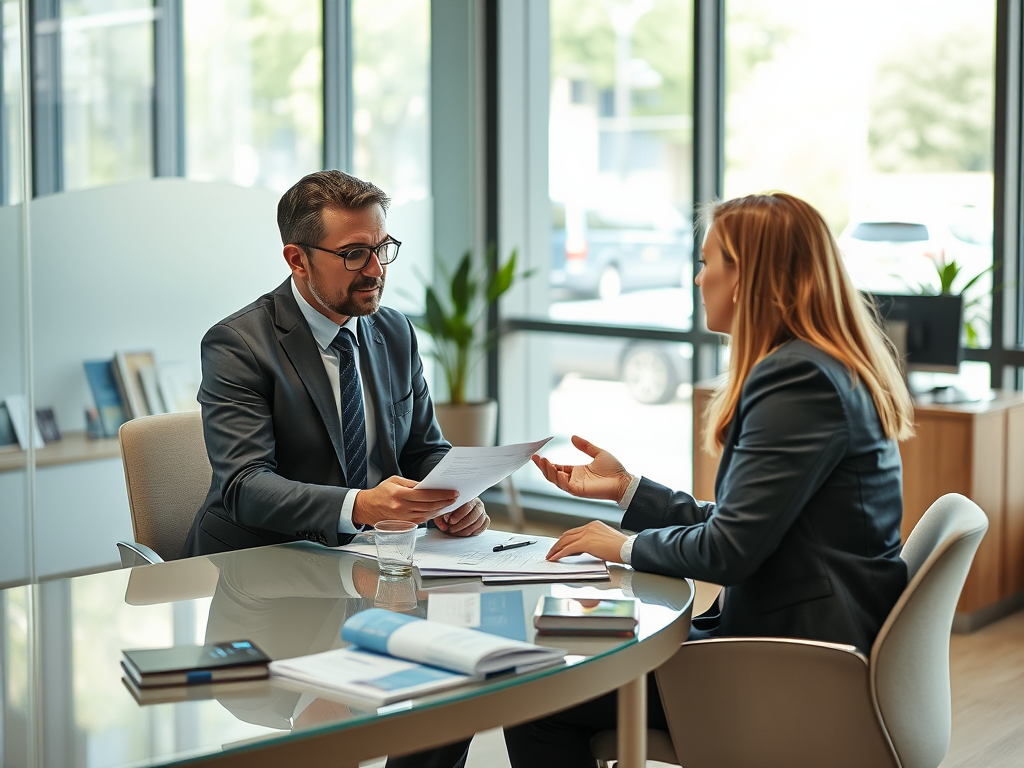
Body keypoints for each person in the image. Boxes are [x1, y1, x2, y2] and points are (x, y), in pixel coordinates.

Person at [502, 192, 916, 767]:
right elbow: (745, 522)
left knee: (537, 691)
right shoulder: (821, 368)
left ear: (745, 277)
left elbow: (730, 551)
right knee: (567, 654)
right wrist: (627, 490)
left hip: (789, 669)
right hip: (805, 645)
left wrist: (622, 546)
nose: (698, 280)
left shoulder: (796, 381)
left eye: (707, 262)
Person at [181, 170, 488, 558]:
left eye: (382, 248)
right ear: (298, 260)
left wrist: (456, 497)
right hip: (264, 567)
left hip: (376, 559)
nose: (376, 270)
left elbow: (424, 449)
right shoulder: (239, 345)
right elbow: (246, 486)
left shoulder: (395, 331)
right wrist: (360, 507)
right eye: (354, 254)